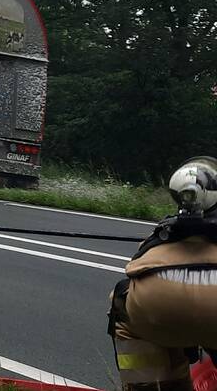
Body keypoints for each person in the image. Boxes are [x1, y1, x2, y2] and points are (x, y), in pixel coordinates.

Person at [109, 156, 217, 391]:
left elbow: (136, 264)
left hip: (155, 305)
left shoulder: (166, 230)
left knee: (121, 307)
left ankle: (149, 384)